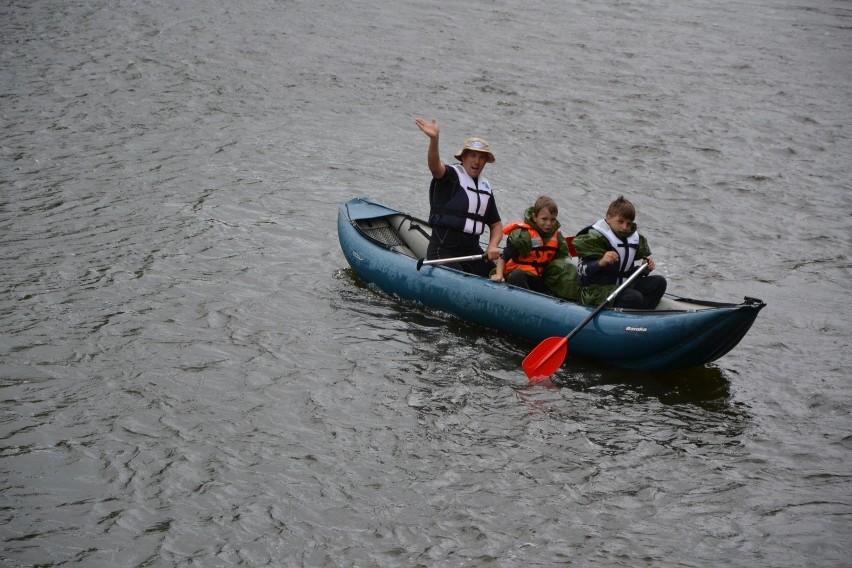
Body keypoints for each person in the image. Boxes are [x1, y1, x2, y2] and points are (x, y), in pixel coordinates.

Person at [415, 118, 503, 277]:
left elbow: (496, 225)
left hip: (472, 252)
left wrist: (492, 245)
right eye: (473, 155)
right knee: (459, 275)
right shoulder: (451, 177)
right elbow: (435, 167)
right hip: (443, 251)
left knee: (498, 275)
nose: (477, 162)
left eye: (482, 157)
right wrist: (434, 139)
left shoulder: (485, 188)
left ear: (485, 162)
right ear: (463, 157)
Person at [573, 195, 667, 309]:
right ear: (608, 218)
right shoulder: (594, 238)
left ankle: (643, 315)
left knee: (660, 282)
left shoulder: (631, 239)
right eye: (620, 222)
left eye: (629, 224)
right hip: (596, 291)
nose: (624, 227)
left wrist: (643, 270)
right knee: (634, 297)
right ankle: (629, 316)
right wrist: (601, 262)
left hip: (621, 286)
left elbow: (626, 271)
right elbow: (582, 270)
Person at [490, 195, 580, 301]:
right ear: (534, 217)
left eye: (553, 219)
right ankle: (527, 303)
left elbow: (565, 262)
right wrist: (499, 275)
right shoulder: (523, 235)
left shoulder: (557, 238)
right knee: (517, 274)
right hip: (518, 277)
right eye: (544, 219)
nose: (549, 223)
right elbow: (503, 258)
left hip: (539, 279)